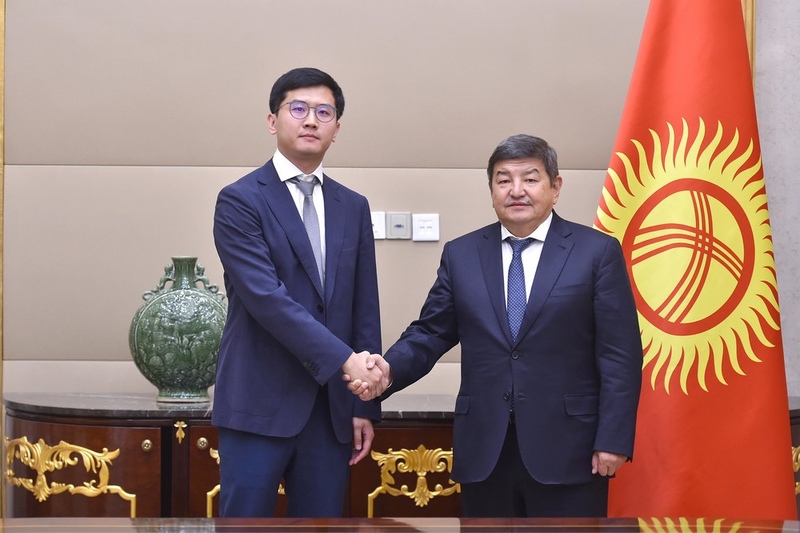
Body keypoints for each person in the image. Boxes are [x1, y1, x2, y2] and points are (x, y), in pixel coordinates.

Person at [349, 134, 642, 518]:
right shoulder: (462, 254)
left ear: (555, 187)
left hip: (571, 449)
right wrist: (387, 371)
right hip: (485, 450)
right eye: (504, 180)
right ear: (491, 190)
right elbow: (430, 333)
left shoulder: (596, 252)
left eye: (530, 179)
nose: (516, 190)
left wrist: (613, 439)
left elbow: (620, 355)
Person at [212, 67, 385, 518]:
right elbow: (266, 299)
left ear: (336, 128)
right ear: (273, 121)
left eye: (324, 112)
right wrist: (346, 361)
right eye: (299, 109)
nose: (311, 120)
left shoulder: (353, 206)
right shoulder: (240, 200)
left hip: (330, 411)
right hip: (257, 403)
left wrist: (364, 401)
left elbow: (364, 306)